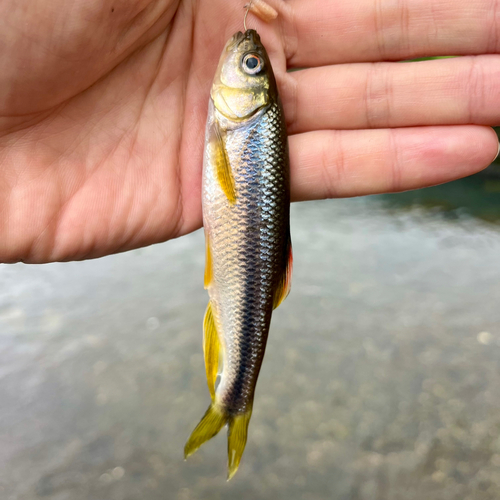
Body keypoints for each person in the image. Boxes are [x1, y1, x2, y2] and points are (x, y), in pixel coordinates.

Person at [0, 0, 498, 264]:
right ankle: (233, 399)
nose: (244, 54)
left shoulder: (237, 122)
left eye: (251, 63)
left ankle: (232, 399)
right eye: (253, 63)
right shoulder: (237, 123)